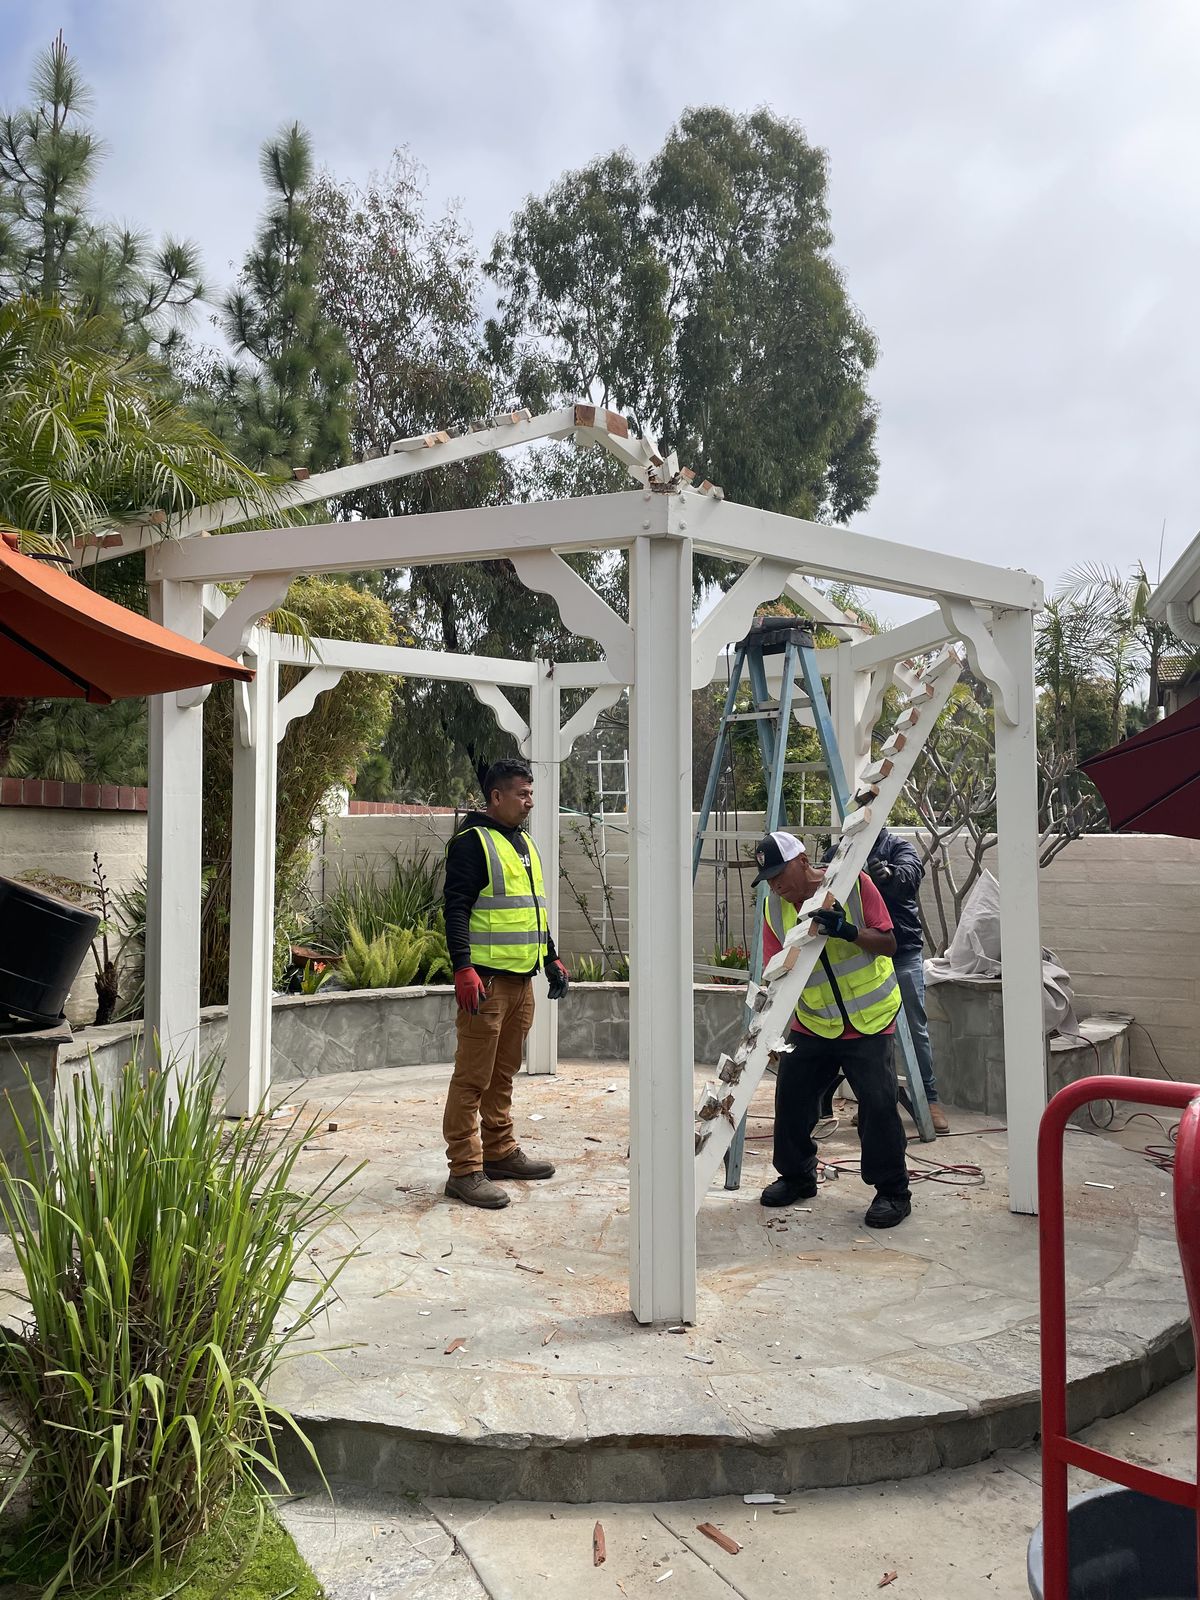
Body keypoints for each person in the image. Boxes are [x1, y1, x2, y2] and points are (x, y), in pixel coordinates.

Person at [752, 830, 912, 1229]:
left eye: (780, 874)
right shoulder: (775, 909)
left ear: (803, 861)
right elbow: (777, 972)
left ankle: (893, 1192)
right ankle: (797, 1176)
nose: (775, 885)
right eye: (768, 879)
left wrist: (848, 931)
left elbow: (891, 944)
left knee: (877, 1105)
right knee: (791, 1097)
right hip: (815, 1023)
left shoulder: (854, 885)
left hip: (869, 1020)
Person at [442, 758, 570, 1209]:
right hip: (486, 984)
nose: (529, 800)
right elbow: (455, 907)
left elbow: (533, 908)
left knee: (503, 1074)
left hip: (522, 981)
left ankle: (498, 1152)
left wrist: (550, 957)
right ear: (496, 797)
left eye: (531, 792)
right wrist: (463, 967)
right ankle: (464, 1169)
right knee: (472, 1079)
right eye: (521, 793)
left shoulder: (523, 844)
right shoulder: (471, 843)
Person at [822, 828, 949, 1135]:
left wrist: (889, 875)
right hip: (864, 958)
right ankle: (877, 1103)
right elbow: (822, 886)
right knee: (871, 1035)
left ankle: (928, 1101)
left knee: (914, 1030)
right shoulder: (840, 853)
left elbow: (909, 875)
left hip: (901, 953)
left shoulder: (897, 847)